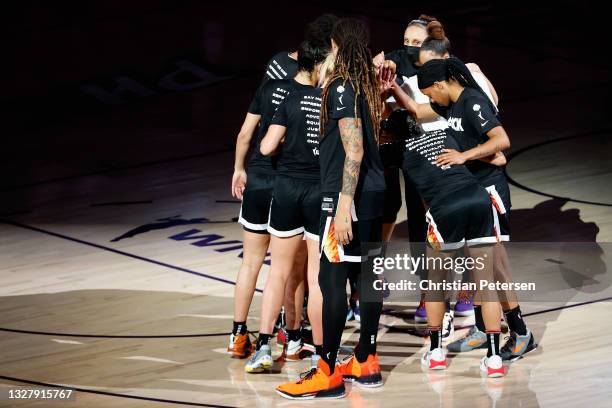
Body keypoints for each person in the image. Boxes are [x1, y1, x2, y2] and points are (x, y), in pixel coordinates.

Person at [276, 18, 387, 399]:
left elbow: (353, 149)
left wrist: (341, 208)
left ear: (336, 45)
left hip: (347, 198)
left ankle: (326, 371)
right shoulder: (365, 85)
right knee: (368, 277)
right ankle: (366, 359)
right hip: (375, 193)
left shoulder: (341, 86)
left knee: (331, 278)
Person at [412, 57, 537, 361]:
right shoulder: (450, 104)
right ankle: (484, 329)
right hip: (473, 192)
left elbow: (502, 140)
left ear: (441, 84)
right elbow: (417, 111)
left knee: (496, 269)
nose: (431, 99)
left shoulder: (472, 101)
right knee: (476, 269)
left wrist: (464, 155)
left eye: (431, 93)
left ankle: (521, 333)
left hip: (491, 192)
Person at [386, 18, 501, 336]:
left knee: (469, 234)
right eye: (406, 42)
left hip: (457, 164)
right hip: (423, 165)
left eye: (417, 44)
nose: (411, 49)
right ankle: (430, 295)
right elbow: (409, 113)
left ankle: (469, 296)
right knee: (423, 233)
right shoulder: (404, 75)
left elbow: (491, 107)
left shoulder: (464, 75)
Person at [244, 40, 328, 372]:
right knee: (315, 276)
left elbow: (265, 146)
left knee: (277, 271)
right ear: (319, 66)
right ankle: (322, 353)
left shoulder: (288, 96)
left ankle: (263, 347)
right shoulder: (327, 99)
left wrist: (286, 148)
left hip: (287, 189)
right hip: (318, 191)